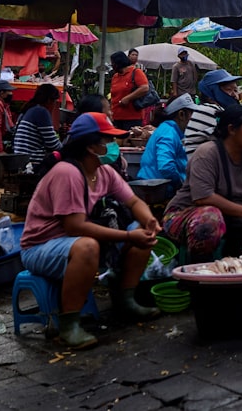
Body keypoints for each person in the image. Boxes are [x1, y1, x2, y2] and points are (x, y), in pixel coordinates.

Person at [20, 112, 161, 348]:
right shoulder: (67, 173)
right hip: (40, 247)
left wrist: (149, 222)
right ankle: (69, 325)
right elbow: (74, 226)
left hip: (73, 241)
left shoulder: (104, 172)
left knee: (141, 234)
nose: (114, 145)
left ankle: (126, 300)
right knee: (88, 246)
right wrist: (127, 235)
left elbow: (134, 202)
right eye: (108, 140)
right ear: (90, 146)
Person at [162, 104, 242, 262]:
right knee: (210, 218)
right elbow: (203, 198)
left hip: (231, 218)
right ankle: (200, 274)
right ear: (232, 129)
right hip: (186, 214)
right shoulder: (207, 154)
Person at [136, 94, 199, 190]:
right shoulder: (168, 133)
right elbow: (166, 167)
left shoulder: (171, 131)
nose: (194, 118)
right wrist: (181, 185)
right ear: (181, 114)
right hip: (157, 191)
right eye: (192, 114)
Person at [184, 69, 242, 156]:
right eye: (229, 89)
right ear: (210, 95)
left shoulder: (221, 111)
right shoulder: (209, 110)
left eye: (235, 90)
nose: (234, 95)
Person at [12, 83, 63, 172]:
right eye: (55, 101)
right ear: (48, 100)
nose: (54, 105)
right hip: (32, 163)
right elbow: (53, 145)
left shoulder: (29, 110)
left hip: (21, 161)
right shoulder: (41, 111)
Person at [109, 51, 149, 130]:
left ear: (118, 63)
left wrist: (128, 98)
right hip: (116, 116)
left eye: (113, 63)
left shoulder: (136, 72)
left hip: (132, 117)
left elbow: (144, 88)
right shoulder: (115, 76)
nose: (112, 65)